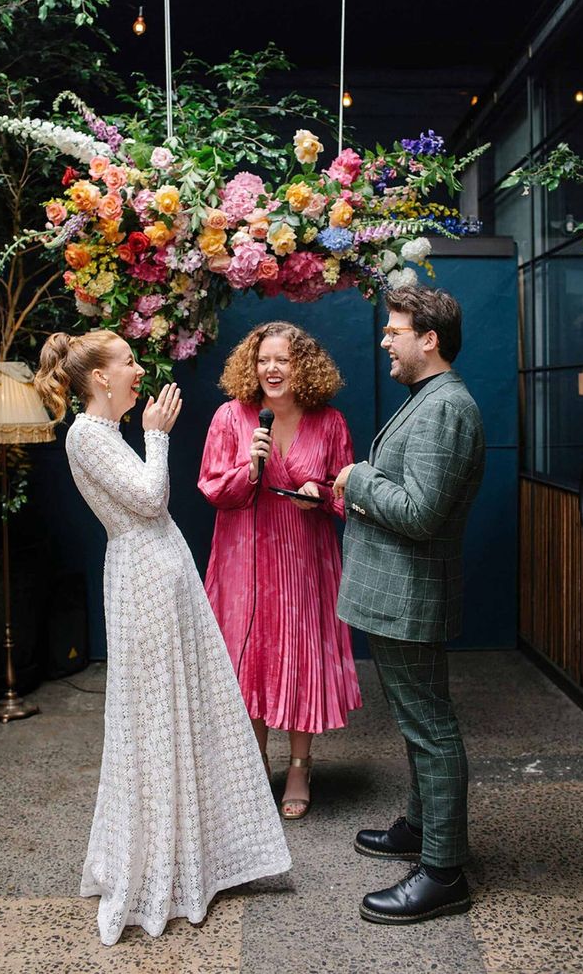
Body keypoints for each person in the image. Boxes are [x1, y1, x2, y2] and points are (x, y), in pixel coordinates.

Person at [34, 329, 291, 946]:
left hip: (157, 579)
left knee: (180, 712)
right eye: (126, 361)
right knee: (156, 719)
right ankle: (158, 865)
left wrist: (146, 434)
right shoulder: (87, 436)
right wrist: (157, 434)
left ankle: (188, 856)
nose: (137, 368)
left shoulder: (103, 434)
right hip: (144, 584)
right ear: (99, 378)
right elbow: (151, 499)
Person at [333, 286, 485, 926]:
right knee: (421, 721)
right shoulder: (428, 401)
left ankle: (443, 872)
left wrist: (356, 477)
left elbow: (421, 514)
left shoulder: (446, 408)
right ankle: (423, 830)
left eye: (395, 331)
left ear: (429, 339)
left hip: (410, 594)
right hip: (398, 594)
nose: (385, 341)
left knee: (431, 729)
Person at [198, 321, 362, 820]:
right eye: (264, 360)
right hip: (244, 558)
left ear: (303, 366)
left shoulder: (329, 422)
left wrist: (323, 493)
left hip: (303, 558)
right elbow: (210, 487)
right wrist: (248, 469)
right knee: (250, 659)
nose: (272, 369)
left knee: (298, 656)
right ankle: (251, 768)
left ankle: (298, 765)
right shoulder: (231, 417)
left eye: (283, 360)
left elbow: (347, 492)